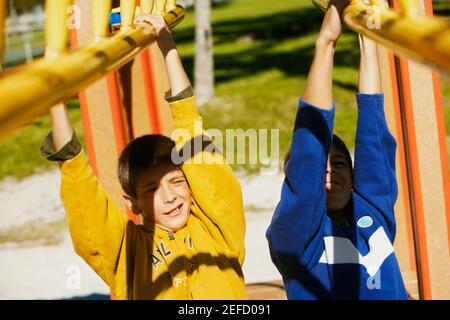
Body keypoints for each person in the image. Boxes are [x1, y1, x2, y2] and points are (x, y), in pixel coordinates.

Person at [40, 15, 247, 300]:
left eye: (176, 182)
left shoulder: (217, 226)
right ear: (132, 203)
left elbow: (190, 127)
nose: (170, 196)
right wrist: (55, 96)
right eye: (151, 189)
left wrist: (166, 43)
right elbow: (82, 193)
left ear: (190, 183)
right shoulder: (128, 252)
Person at [266, 0, 408, 299]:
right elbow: (308, 154)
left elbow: (373, 132)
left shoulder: (373, 211)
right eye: (323, 168)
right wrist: (326, 41)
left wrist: (367, 32)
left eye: (340, 163)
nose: (331, 171)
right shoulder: (296, 237)